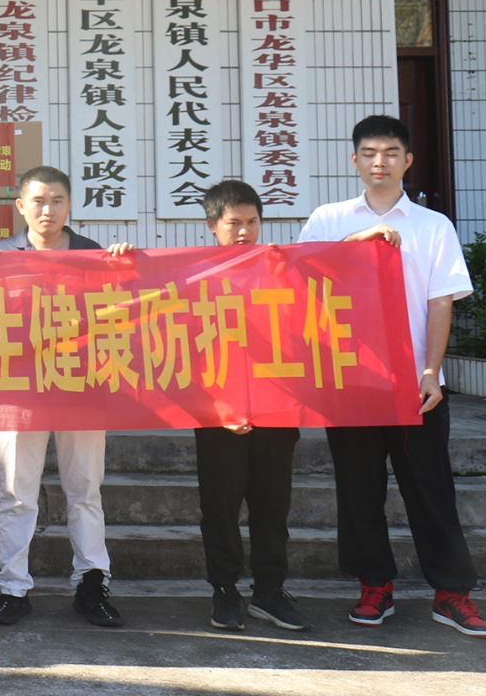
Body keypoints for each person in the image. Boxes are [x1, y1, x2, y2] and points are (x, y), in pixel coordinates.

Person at [298, 114, 486, 638]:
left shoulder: (433, 226)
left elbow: (439, 303)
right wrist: (360, 239)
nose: (379, 162)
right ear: (354, 160)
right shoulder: (327, 220)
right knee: (358, 491)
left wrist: (431, 370)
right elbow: (302, 280)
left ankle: (452, 593)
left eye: (390, 152)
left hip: (415, 386)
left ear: (408, 160)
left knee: (431, 490)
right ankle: (374, 586)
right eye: (369, 152)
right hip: (353, 384)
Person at [0, 165, 133, 629]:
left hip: (81, 386)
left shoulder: (94, 255)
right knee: (16, 493)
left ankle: (92, 584)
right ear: (20, 206)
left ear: (70, 204)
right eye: (38, 201)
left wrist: (126, 268)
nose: (48, 210)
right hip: (18, 390)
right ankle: (13, 589)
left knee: (85, 490)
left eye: (57, 200)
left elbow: (123, 315)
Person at [194, 181, 310, 633]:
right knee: (220, 508)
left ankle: (269, 591)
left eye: (252, 222)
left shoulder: (281, 270)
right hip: (217, 414)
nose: (244, 231)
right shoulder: (194, 276)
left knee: (272, 507)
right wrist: (218, 406)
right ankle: (225, 589)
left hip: (277, 409)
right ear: (212, 226)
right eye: (234, 223)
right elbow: (183, 350)